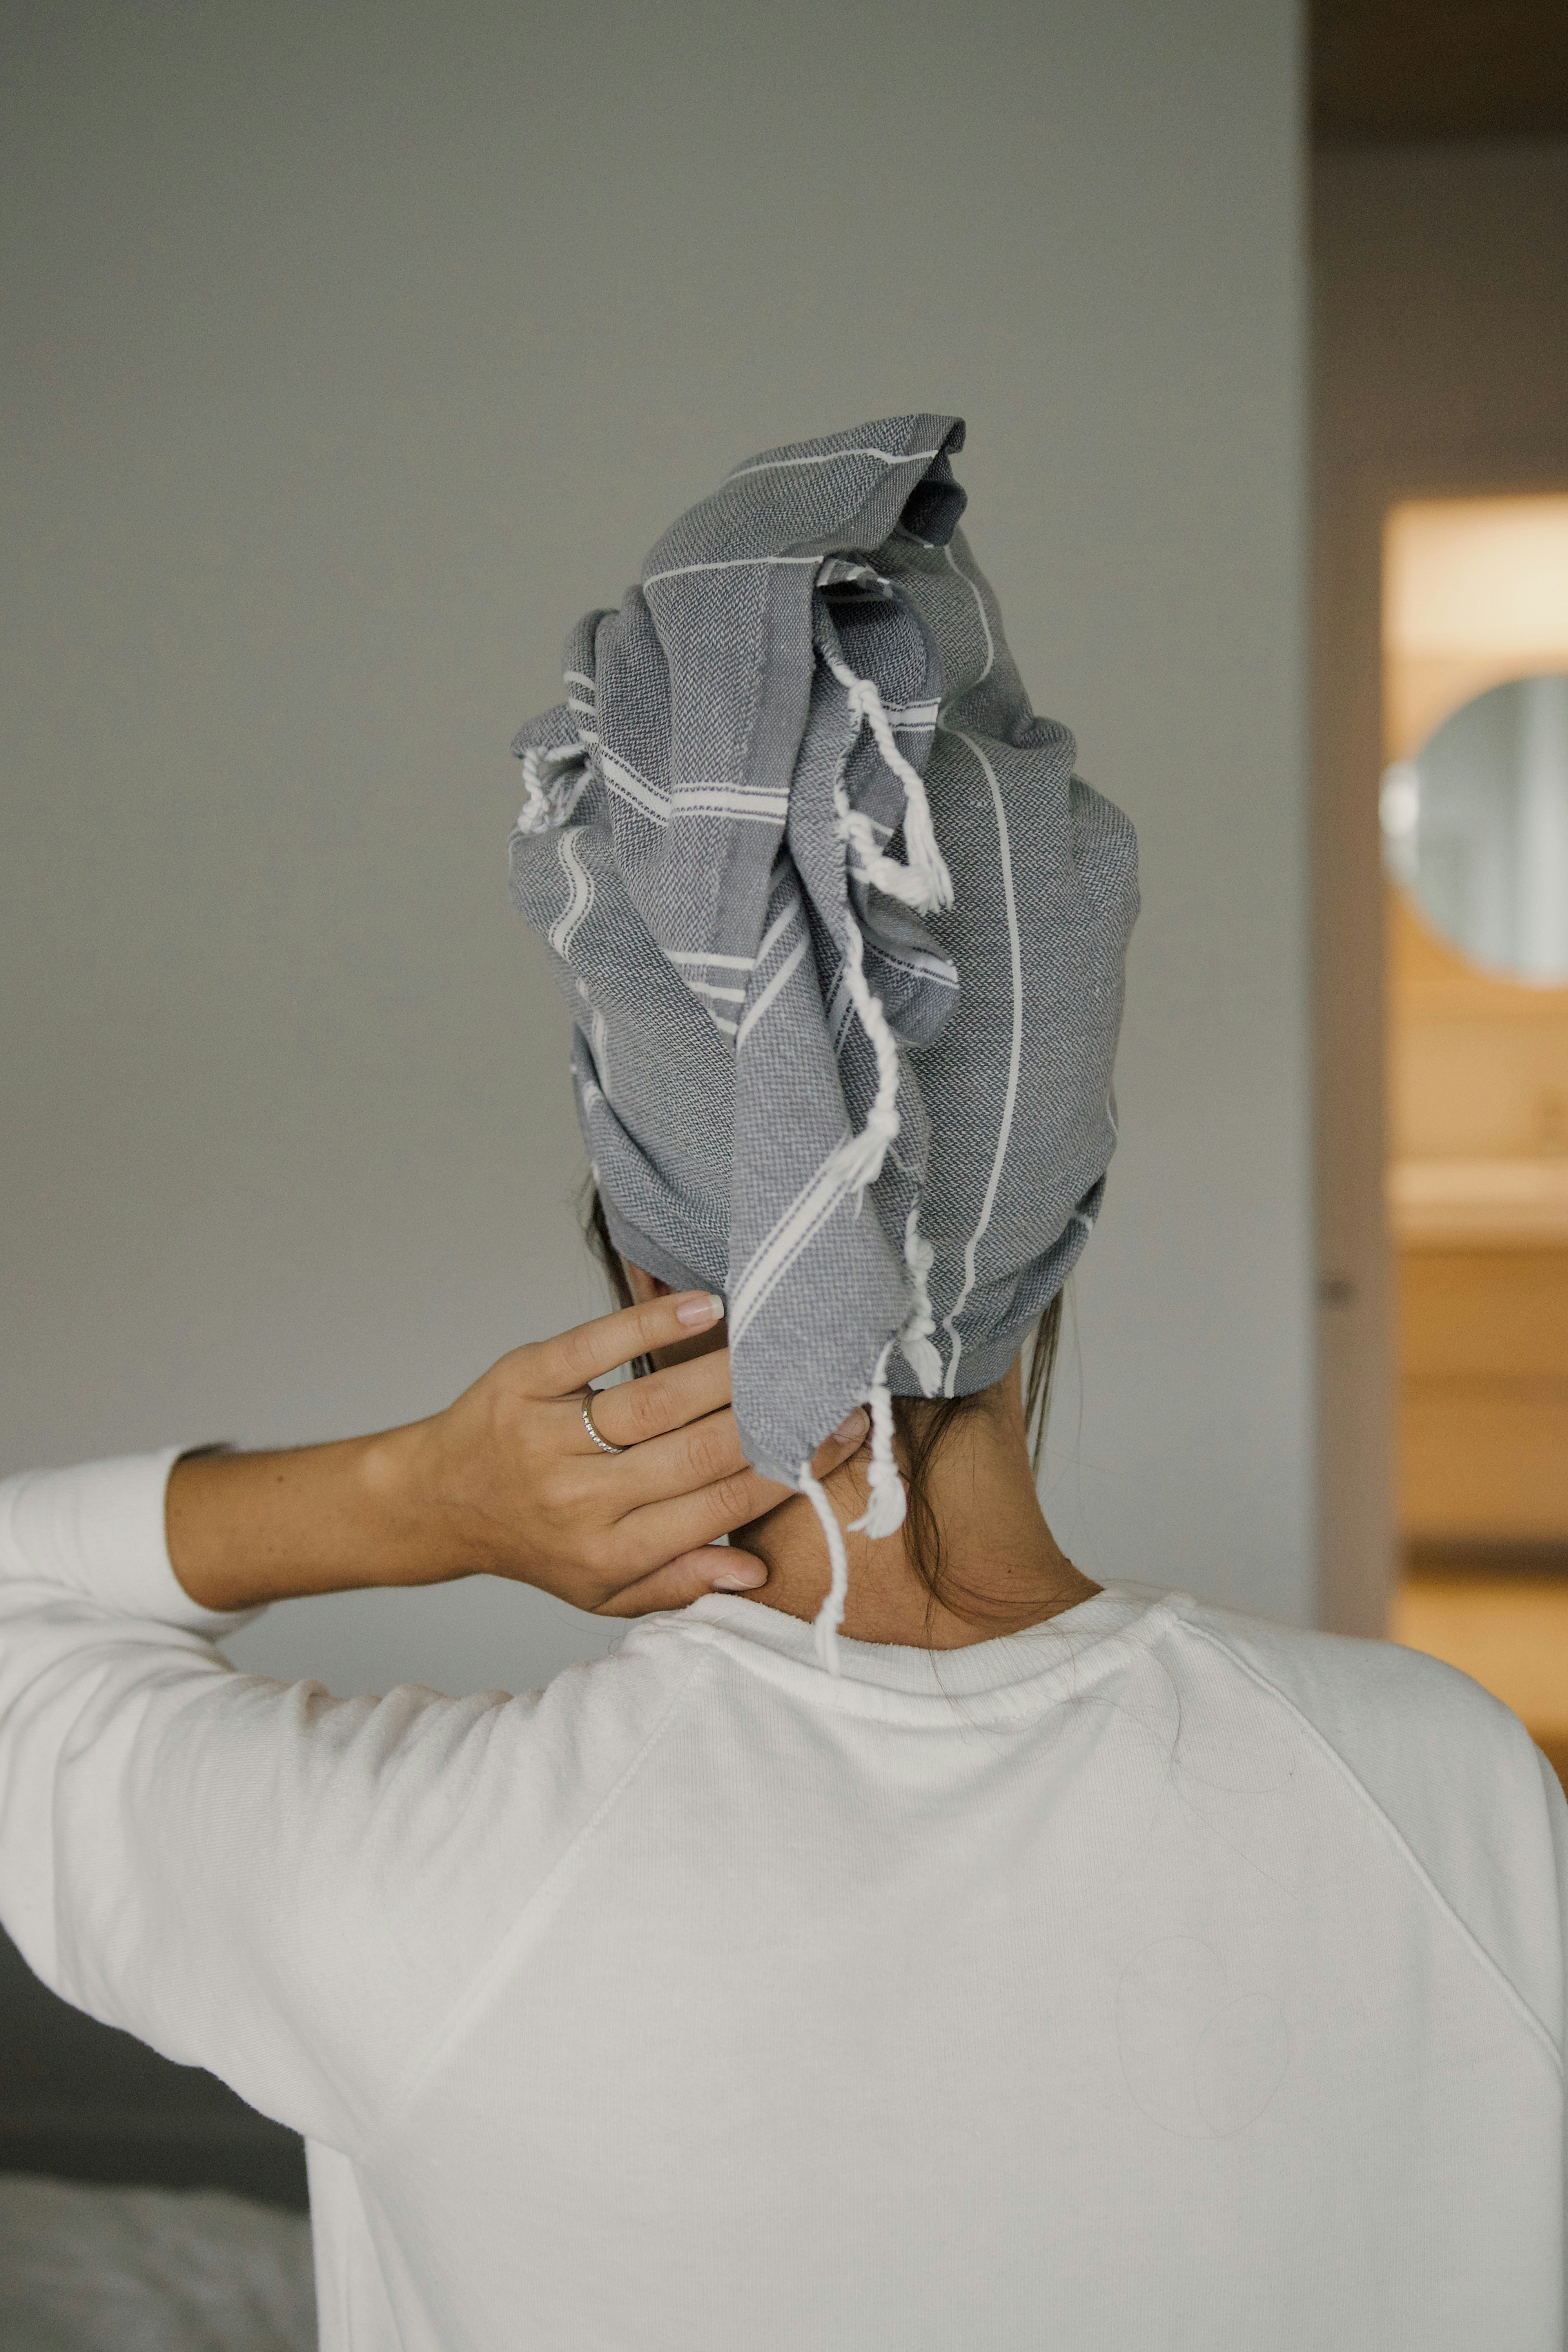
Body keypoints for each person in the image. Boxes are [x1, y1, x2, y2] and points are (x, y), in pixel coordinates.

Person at [2, 419, 1565, 2352]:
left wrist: (422, 1495)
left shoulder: (414, 1880)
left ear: (648, 1255)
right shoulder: (1445, 1784)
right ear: (1053, 1203)